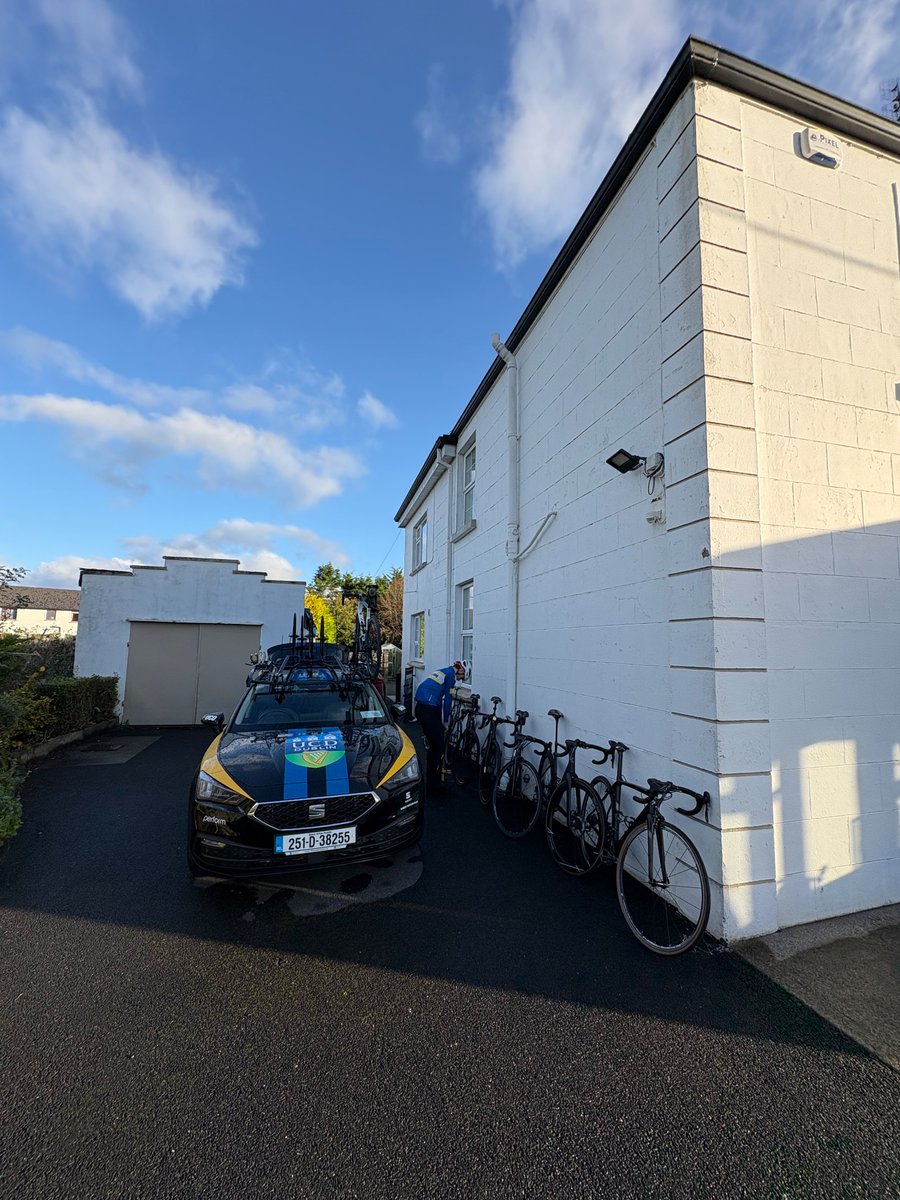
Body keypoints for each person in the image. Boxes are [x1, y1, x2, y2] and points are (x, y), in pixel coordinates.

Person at [414, 661, 463, 790]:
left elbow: (439, 698)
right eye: (461, 677)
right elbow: (447, 700)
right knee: (438, 746)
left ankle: (431, 777)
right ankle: (433, 783)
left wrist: (441, 719)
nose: (459, 680)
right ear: (460, 671)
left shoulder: (443, 671)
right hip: (429, 709)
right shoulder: (451, 676)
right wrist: (446, 720)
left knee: (434, 745)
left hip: (420, 707)